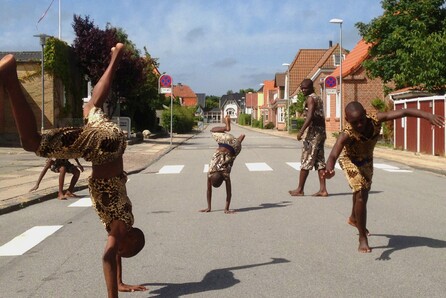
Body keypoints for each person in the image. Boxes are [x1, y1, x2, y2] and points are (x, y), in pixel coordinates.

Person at [0, 43, 147, 297]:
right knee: (31, 142)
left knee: (91, 107)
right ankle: (10, 77)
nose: (115, 247)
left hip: (113, 139)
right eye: (122, 248)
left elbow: (117, 251)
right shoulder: (121, 229)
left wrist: (121, 282)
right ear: (130, 239)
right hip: (103, 148)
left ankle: (115, 56)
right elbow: (108, 257)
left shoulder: (125, 224)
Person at [323, 101, 445, 253]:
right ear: (348, 121)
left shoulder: (376, 118)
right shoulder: (346, 134)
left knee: (363, 193)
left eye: (362, 119)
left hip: (367, 160)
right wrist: (329, 169)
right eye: (355, 123)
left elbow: (404, 112)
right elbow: (333, 155)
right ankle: (362, 238)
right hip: (351, 161)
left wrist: (428, 115)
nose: (360, 125)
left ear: (366, 113)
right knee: (360, 192)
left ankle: (354, 218)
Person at [289, 78, 328, 197]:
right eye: (301, 88)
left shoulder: (311, 98)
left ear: (311, 88)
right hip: (321, 132)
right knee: (320, 161)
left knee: (306, 159)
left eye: (305, 88)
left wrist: (301, 131)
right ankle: (323, 190)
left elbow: (310, 116)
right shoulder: (318, 98)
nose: (303, 90)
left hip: (314, 132)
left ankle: (300, 189)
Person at [200, 115, 245, 214]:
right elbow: (227, 193)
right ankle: (226, 128)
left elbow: (228, 193)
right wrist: (226, 209)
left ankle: (240, 138)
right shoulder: (211, 172)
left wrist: (209, 207)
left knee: (232, 155)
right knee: (213, 131)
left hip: (236, 147)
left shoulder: (225, 175)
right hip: (227, 140)